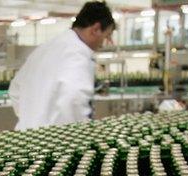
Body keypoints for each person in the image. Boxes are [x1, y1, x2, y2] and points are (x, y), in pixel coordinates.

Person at [8, 2, 116, 130]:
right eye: (107, 36)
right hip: (54, 143)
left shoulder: (47, 47)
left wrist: (32, 118)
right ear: (96, 29)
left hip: (26, 136)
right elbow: (74, 99)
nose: (107, 42)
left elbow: (15, 90)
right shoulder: (78, 55)